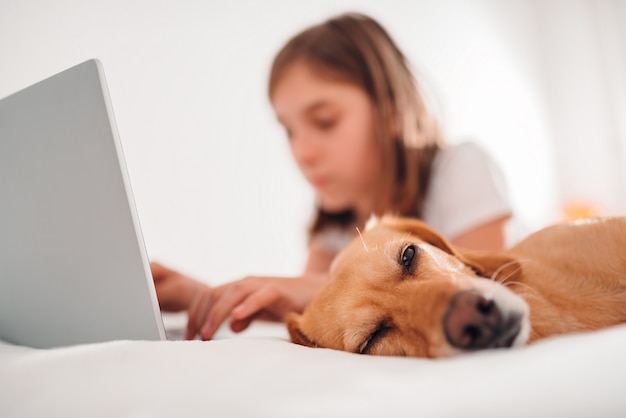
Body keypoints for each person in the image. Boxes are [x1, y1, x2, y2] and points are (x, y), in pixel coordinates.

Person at [151, 12, 515, 341]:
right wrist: (203, 297)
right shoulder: (335, 222)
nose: (301, 153)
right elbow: (306, 311)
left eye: (324, 122)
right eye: (289, 131)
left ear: (393, 112)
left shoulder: (458, 169)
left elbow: (488, 291)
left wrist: (313, 288)